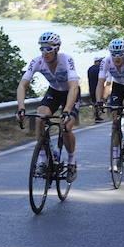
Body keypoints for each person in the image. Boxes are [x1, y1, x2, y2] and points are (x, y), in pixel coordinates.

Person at [15, 32, 80, 182]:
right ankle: (44, 159)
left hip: (70, 92)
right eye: (42, 49)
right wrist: (21, 107)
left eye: (48, 49)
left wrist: (67, 110)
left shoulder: (66, 59)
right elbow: (22, 85)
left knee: (66, 126)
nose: (44, 53)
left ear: (57, 49)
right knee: (40, 116)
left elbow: (74, 87)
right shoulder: (37, 61)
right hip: (54, 92)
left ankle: (71, 161)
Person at [95, 38, 124, 156]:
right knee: (115, 121)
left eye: (120, 54)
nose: (117, 57)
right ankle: (115, 156)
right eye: (114, 54)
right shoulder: (106, 61)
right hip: (117, 87)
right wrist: (99, 101)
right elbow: (101, 83)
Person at [87, 57, 105, 122]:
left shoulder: (90, 69)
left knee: (94, 103)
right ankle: (98, 116)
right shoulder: (99, 69)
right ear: (97, 61)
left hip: (91, 88)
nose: (101, 63)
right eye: (100, 61)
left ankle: (96, 116)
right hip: (98, 89)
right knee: (99, 102)